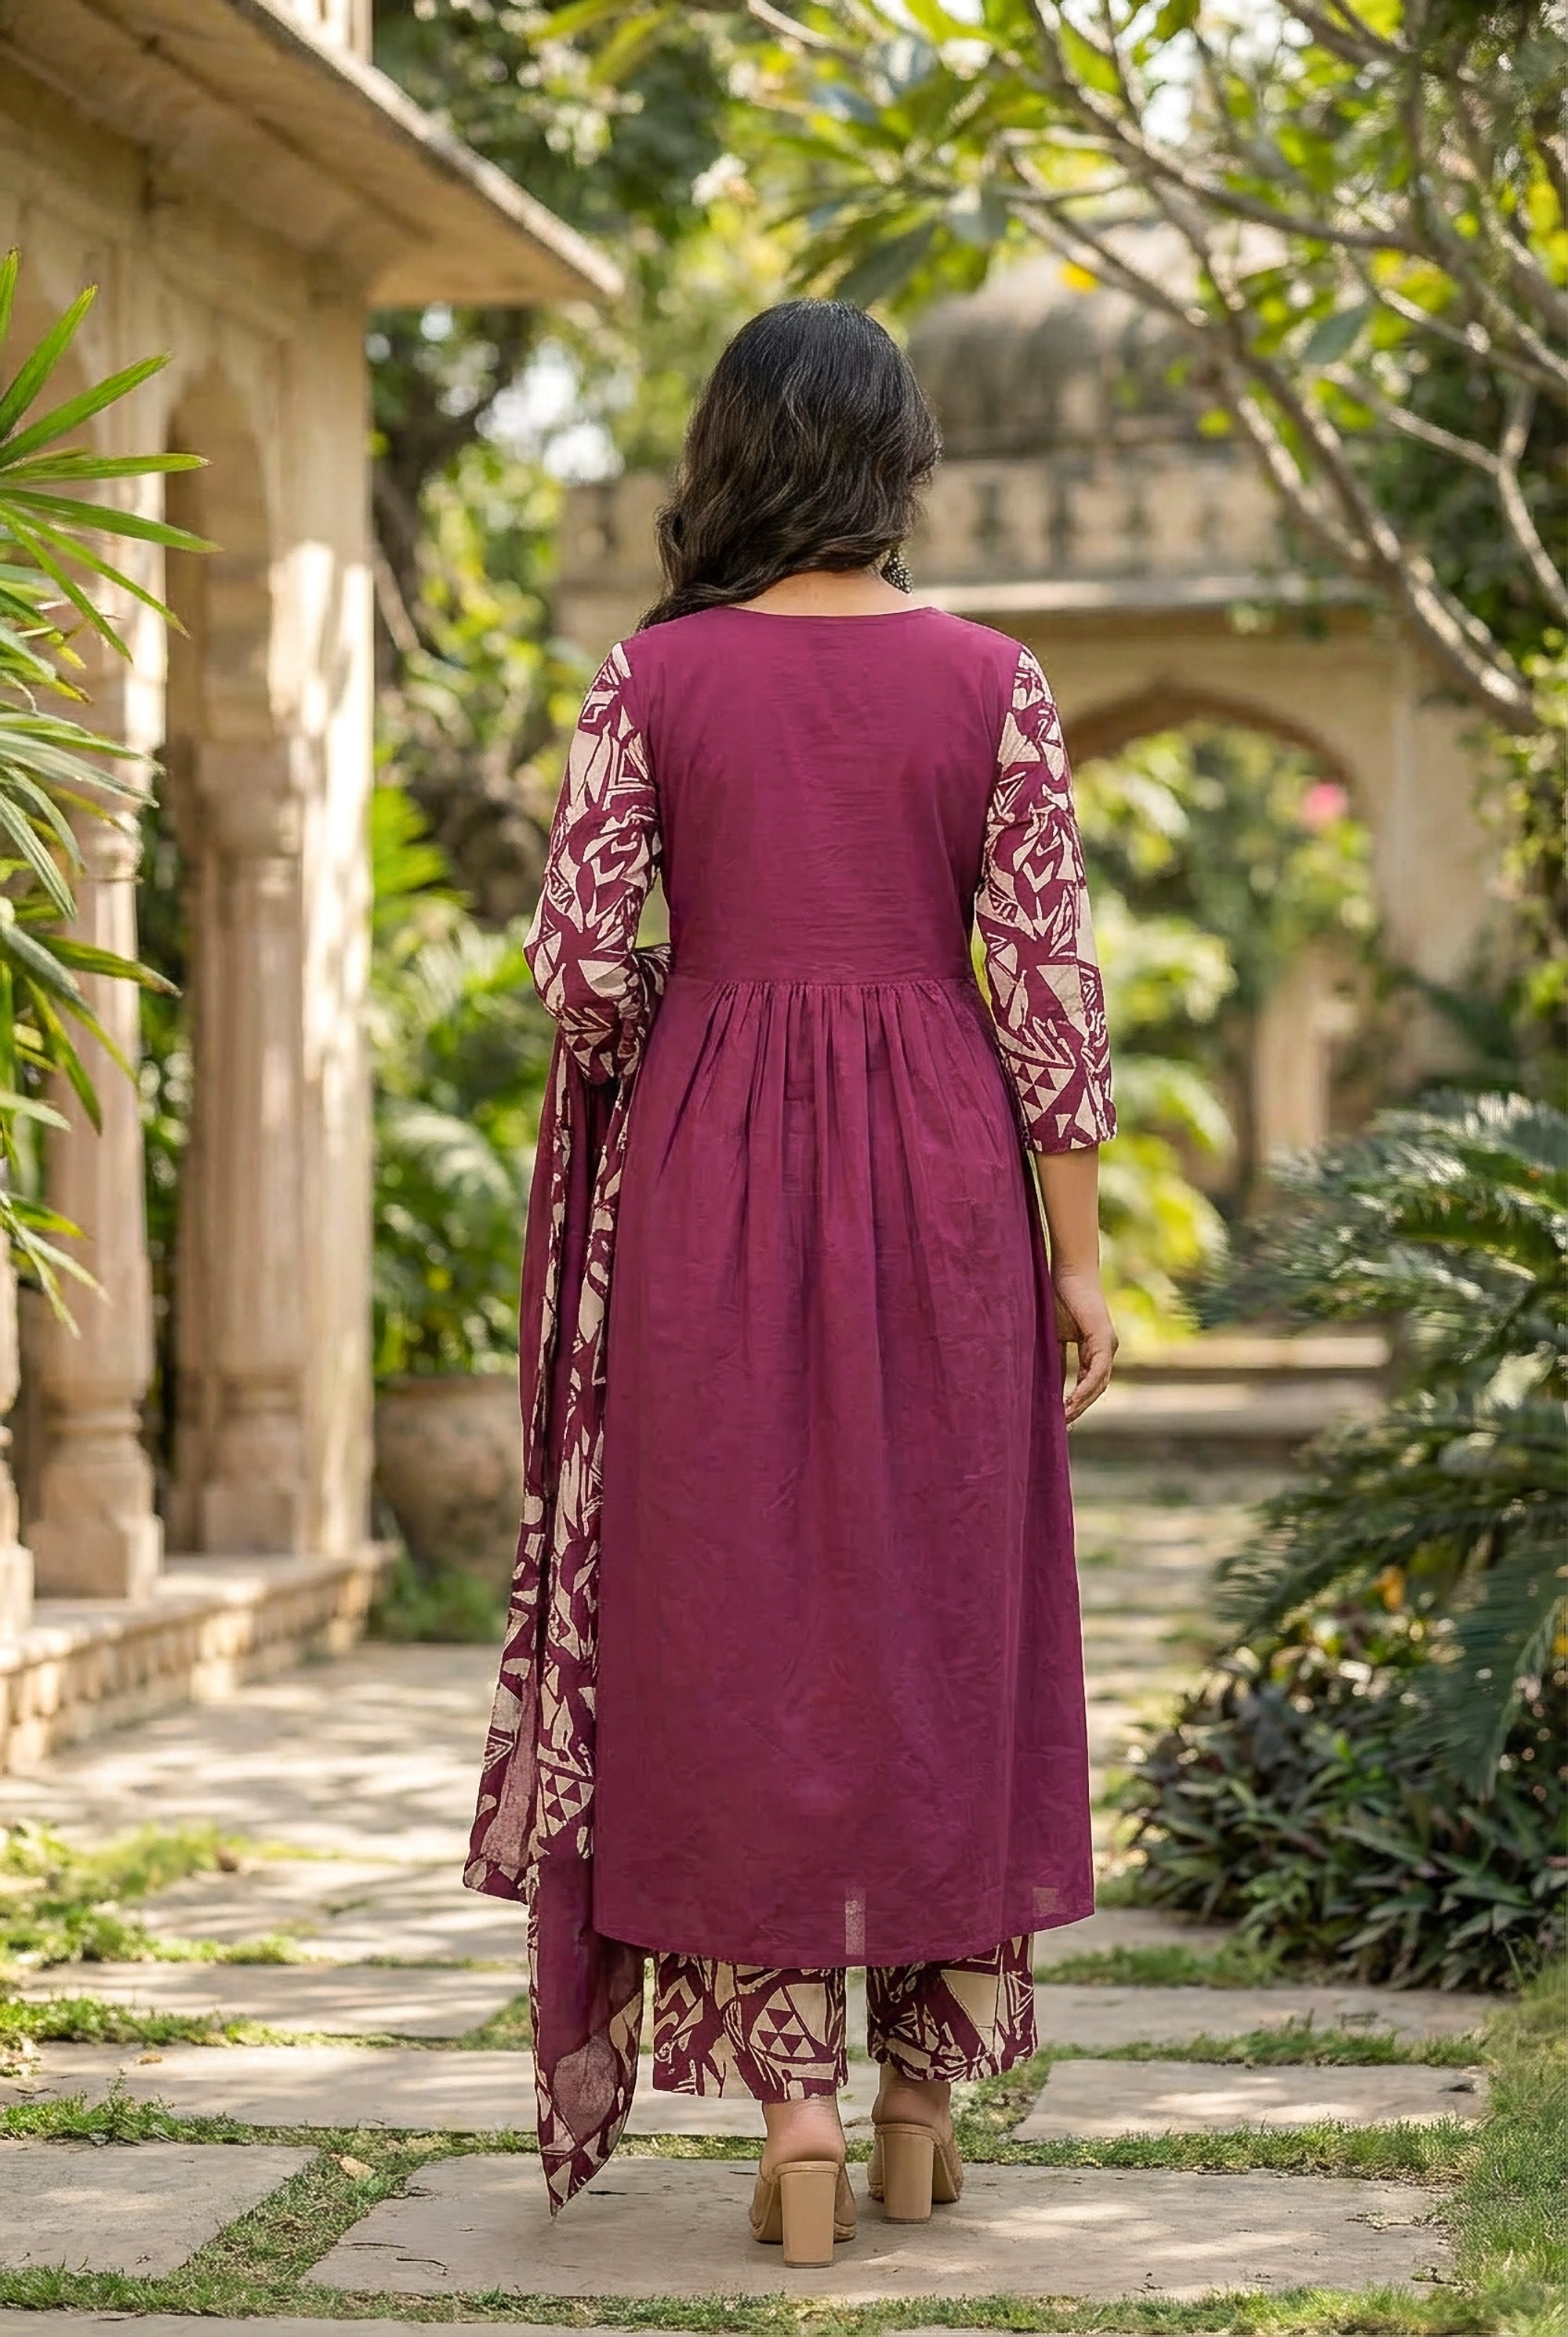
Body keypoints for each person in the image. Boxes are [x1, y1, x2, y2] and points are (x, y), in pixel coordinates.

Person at [468, 298, 1117, 2266]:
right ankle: (924, 2088)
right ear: (897, 457)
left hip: (708, 1183)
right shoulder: (996, 682)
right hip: (941, 1174)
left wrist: (697, 1019)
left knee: (737, 1611)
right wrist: (1078, 1263)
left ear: (728, 457)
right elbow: (1047, 993)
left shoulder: (645, 679)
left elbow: (575, 974)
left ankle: (801, 2115)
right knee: (942, 1602)